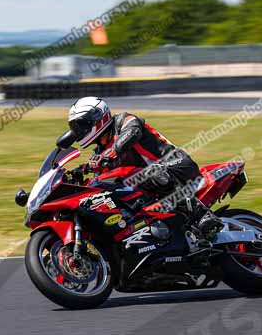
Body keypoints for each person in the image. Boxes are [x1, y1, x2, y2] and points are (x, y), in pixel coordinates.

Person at [67, 96, 223, 240]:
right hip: (150, 185)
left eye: (81, 125)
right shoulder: (100, 152)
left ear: (97, 118)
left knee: (152, 173)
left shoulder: (124, 121)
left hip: (176, 165)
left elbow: (132, 132)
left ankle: (202, 214)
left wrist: (108, 154)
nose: (79, 131)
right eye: (75, 127)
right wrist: (79, 173)